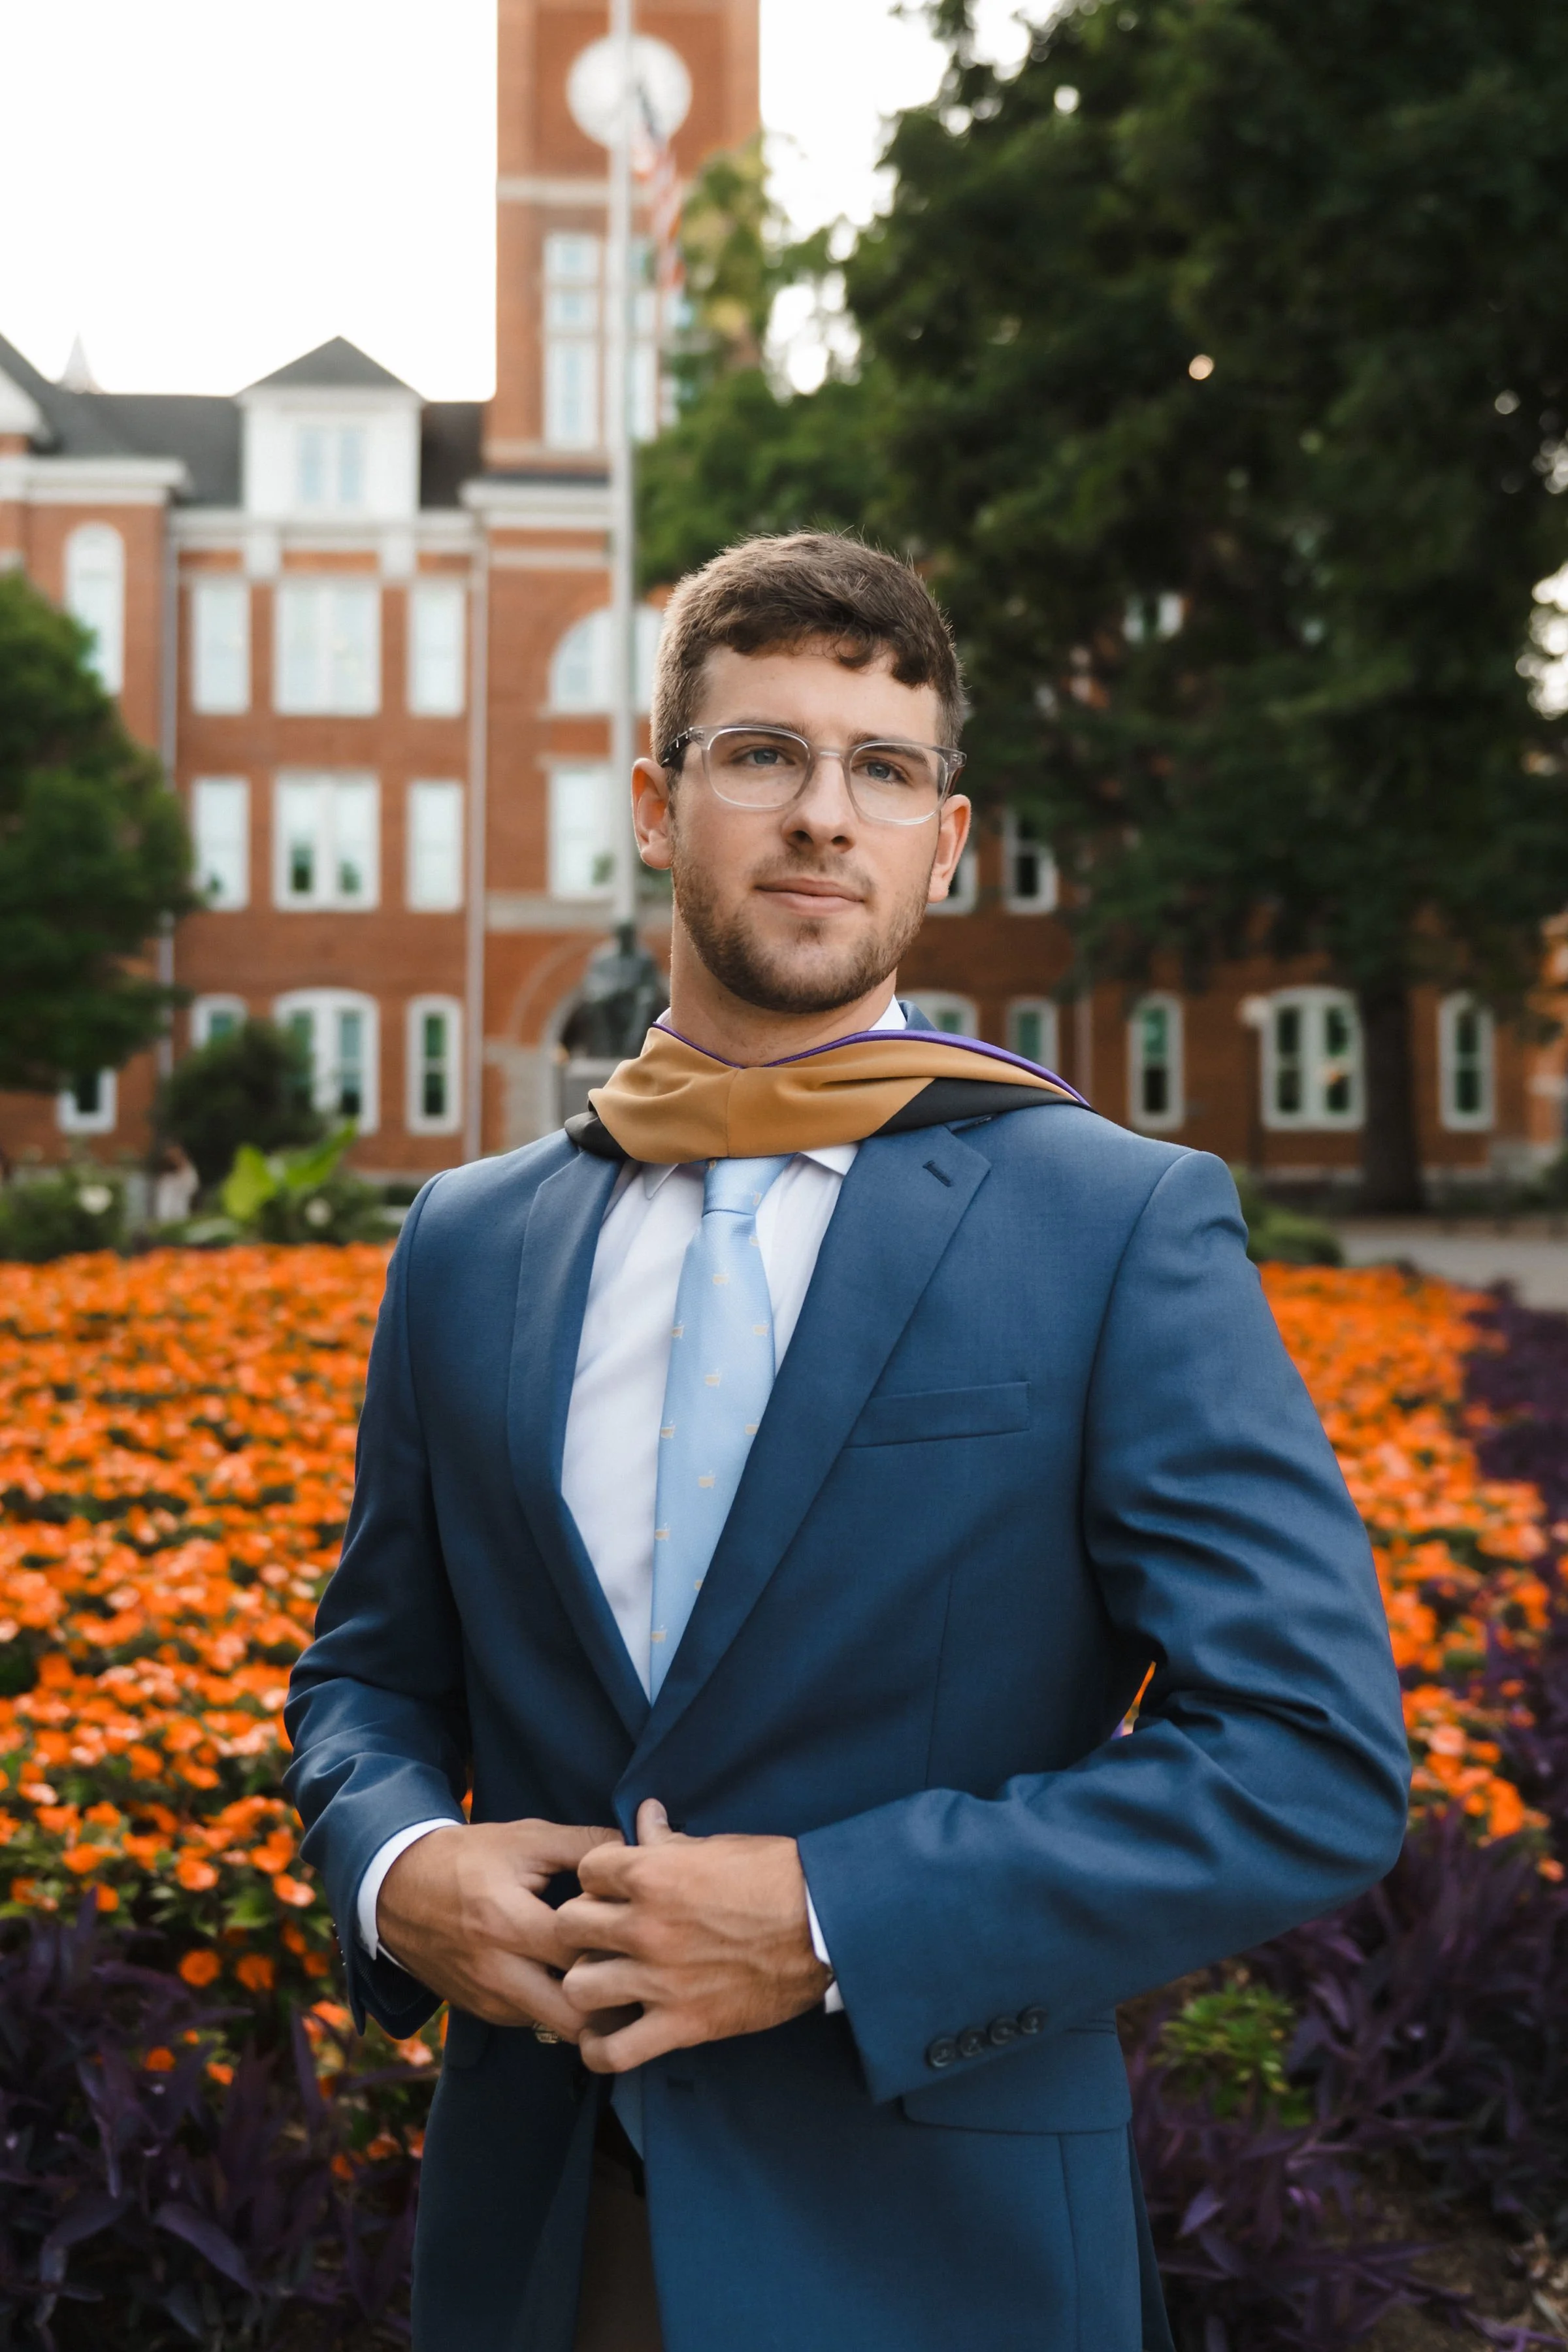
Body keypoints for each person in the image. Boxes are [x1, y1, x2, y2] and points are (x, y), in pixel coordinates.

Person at [286, 532, 1410, 2352]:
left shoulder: (1114, 1227)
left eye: (883, 771)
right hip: (545, 2236)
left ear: (942, 845)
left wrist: (830, 1916)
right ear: (659, 806)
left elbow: (1308, 1756)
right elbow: (370, 1679)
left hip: (936, 2247)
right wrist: (401, 1867)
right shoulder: (473, 1240)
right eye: (763, 756)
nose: (825, 815)